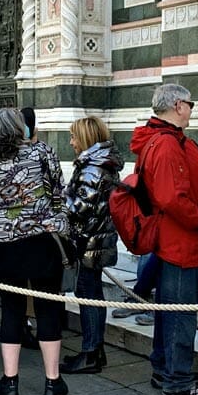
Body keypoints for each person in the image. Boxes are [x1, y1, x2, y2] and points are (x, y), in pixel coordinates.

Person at [131, 84, 198, 395]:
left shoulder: (165, 139)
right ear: (179, 105)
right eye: (191, 104)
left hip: (177, 241)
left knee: (170, 310)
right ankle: (178, 382)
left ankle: (164, 368)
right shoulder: (167, 143)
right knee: (180, 314)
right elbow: (172, 197)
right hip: (182, 242)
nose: (192, 109)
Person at [0, 108, 69, 395]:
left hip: (3, 241)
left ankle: (10, 381)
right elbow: (58, 191)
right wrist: (57, 219)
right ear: (21, 128)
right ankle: (52, 381)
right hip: (42, 237)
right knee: (48, 306)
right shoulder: (42, 151)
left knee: (11, 308)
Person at [61, 116, 124, 375]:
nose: (71, 142)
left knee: (89, 295)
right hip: (95, 240)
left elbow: (80, 208)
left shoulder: (93, 167)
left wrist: (58, 199)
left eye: (74, 137)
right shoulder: (97, 163)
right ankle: (94, 351)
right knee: (91, 294)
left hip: (90, 241)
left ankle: (91, 352)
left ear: (85, 138)